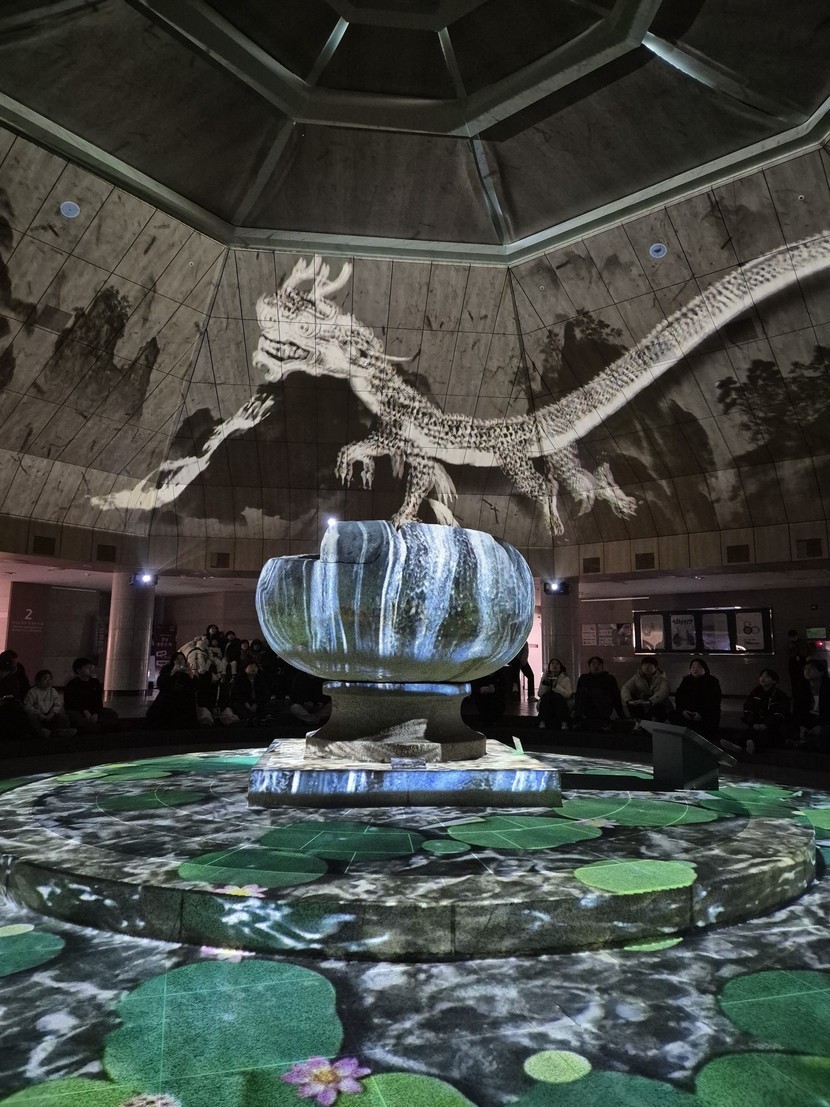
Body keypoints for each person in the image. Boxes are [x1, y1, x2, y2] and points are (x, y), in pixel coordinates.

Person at [63, 658, 119, 734]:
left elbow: (98, 700)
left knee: (112, 714)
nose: (90, 669)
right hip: (77, 710)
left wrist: (96, 713)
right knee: (78, 719)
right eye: (87, 667)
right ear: (78, 670)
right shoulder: (72, 684)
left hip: (93, 710)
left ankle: (93, 729)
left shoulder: (95, 682)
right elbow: (70, 702)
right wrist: (84, 711)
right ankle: (98, 728)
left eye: (91, 667)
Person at [670, 657, 721, 739]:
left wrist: (701, 714)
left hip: (705, 714)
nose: (695, 669)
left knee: (707, 723)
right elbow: (679, 698)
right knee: (673, 716)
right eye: (693, 667)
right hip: (687, 712)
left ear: (705, 669)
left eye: (699, 667)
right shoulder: (686, 680)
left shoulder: (712, 682)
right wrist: (683, 711)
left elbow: (714, 702)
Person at [741, 668, 789, 754]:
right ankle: (744, 745)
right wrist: (753, 723)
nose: (763, 678)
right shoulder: (755, 692)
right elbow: (748, 708)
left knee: (766, 734)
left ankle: (750, 745)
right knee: (749, 731)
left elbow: (780, 713)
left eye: (767, 676)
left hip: (772, 725)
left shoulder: (780, 695)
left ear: (774, 681)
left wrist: (767, 724)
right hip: (757, 722)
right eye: (761, 676)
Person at [146, 652, 199, 730]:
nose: (180, 661)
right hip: (169, 696)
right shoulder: (167, 669)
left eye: (182, 659)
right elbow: (161, 684)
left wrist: (191, 675)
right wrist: (172, 672)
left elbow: (195, 686)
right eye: (177, 659)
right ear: (173, 661)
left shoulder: (187, 670)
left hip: (184, 698)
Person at [573, 656, 624, 732]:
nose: (596, 666)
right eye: (593, 664)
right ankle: (578, 720)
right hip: (588, 707)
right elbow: (578, 696)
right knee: (582, 691)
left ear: (602, 666)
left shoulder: (609, 678)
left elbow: (616, 696)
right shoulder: (584, 678)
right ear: (589, 666)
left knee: (596, 692)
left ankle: (605, 721)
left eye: (598, 664)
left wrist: (621, 715)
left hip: (604, 707)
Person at [23, 670, 76, 738]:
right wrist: (39, 714)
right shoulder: (32, 691)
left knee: (63, 717)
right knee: (30, 717)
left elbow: (57, 705)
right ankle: (42, 731)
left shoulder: (53, 691)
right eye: (45, 679)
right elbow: (28, 706)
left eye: (50, 679)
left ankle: (61, 731)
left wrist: (51, 714)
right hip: (38, 715)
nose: (48, 681)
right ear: (38, 682)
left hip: (50, 714)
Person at [621, 658, 670, 727]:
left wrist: (651, 701)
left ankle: (655, 724)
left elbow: (663, 692)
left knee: (658, 704)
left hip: (656, 705)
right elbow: (626, 688)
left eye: (650, 665)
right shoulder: (637, 677)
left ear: (655, 667)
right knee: (633, 702)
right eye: (644, 665)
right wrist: (629, 700)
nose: (647, 667)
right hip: (642, 703)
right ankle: (638, 723)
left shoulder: (662, 679)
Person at [793, 658, 830, 751]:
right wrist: (802, 726)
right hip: (809, 720)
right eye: (805, 669)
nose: (807, 671)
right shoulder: (802, 689)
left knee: (825, 732)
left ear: (821, 672)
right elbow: (798, 710)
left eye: (811, 668)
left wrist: (822, 725)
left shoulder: (827, 687)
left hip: (825, 720)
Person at [536, 658, 572, 730]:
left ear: (560, 667)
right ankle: (542, 721)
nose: (554, 665)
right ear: (549, 667)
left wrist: (556, 687)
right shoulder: (545, 677)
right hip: (548, 702)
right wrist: (545, 683)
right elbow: (540, 694)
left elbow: (568, 694)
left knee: (557, 696)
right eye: (552, 663)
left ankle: (564, 722)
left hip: (560, 702)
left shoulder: (565, 678)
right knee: (546, 696)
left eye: (557, 664)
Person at [231, 660, 270, 725]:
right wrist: (245, 703)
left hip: (257, 702)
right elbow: (236, 694)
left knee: (266, 704)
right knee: (237, 706)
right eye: (251, 666)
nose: (253, 669)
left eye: (255, 667)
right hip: (244, 703)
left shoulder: (260, 679)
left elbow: (265, 694)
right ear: (245, 669)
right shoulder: (240, 680)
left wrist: (256, 703)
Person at [787, 629, 807, 698]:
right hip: (794, 662)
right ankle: (796, 695)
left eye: (794, 637)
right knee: (794, 680)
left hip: (800, 661)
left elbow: (804, 652)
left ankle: (801, 695)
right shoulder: (790, 644)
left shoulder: (801, 643)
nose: (793, 638)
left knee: (802, 680)